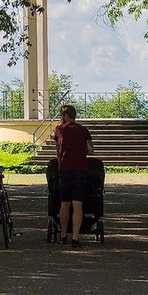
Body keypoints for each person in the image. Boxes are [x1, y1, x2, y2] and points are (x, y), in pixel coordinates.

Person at [53, 103, 94, 247]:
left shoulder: (58, 130)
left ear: (64, 116)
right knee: (78, 204)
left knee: (64, 203)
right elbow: (90, 150)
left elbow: (58, 151)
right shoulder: (83, 130)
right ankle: (75, 237)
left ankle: (63, 235)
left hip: (64, 169)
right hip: (80, 169)